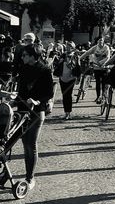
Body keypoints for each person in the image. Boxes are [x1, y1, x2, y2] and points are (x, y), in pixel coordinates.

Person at [16, 43, 54, 190]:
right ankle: (27, 175)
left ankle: (30, 178)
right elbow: (21, 89)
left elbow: (49, 93)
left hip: (36, 112)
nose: (22, 57)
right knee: (25, 144)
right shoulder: (23, 68)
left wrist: (36, 100)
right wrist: (16, 98)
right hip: (21, 111)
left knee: (31, 145)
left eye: (25, 55)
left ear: (33, 56)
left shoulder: (44, 70)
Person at [53, 42, 80, 120]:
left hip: (71, 79)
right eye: (67, 47)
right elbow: (58, 65)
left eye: (70, 47)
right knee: (64, 95)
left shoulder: (75, 56)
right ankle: (66, 113)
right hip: (62, 78)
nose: (68, 48)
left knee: (68, 95)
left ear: (73, 47)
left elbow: (78, 67)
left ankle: (68, 113)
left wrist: (78, 78)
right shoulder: (63, 55)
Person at [81, 37, 112, 104]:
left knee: (104, 83)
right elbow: (87, 53)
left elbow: (108, 57)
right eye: (99, 40)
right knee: (97, 83)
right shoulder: (95, 48)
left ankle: (103, 96)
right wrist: (80, 58)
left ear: (103, 41)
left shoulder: (106, 48)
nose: (100, 41)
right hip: (96, 67)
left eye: (102, 40)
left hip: (104, 67)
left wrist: (101, 63)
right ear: (97, 41)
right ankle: (98, 97)